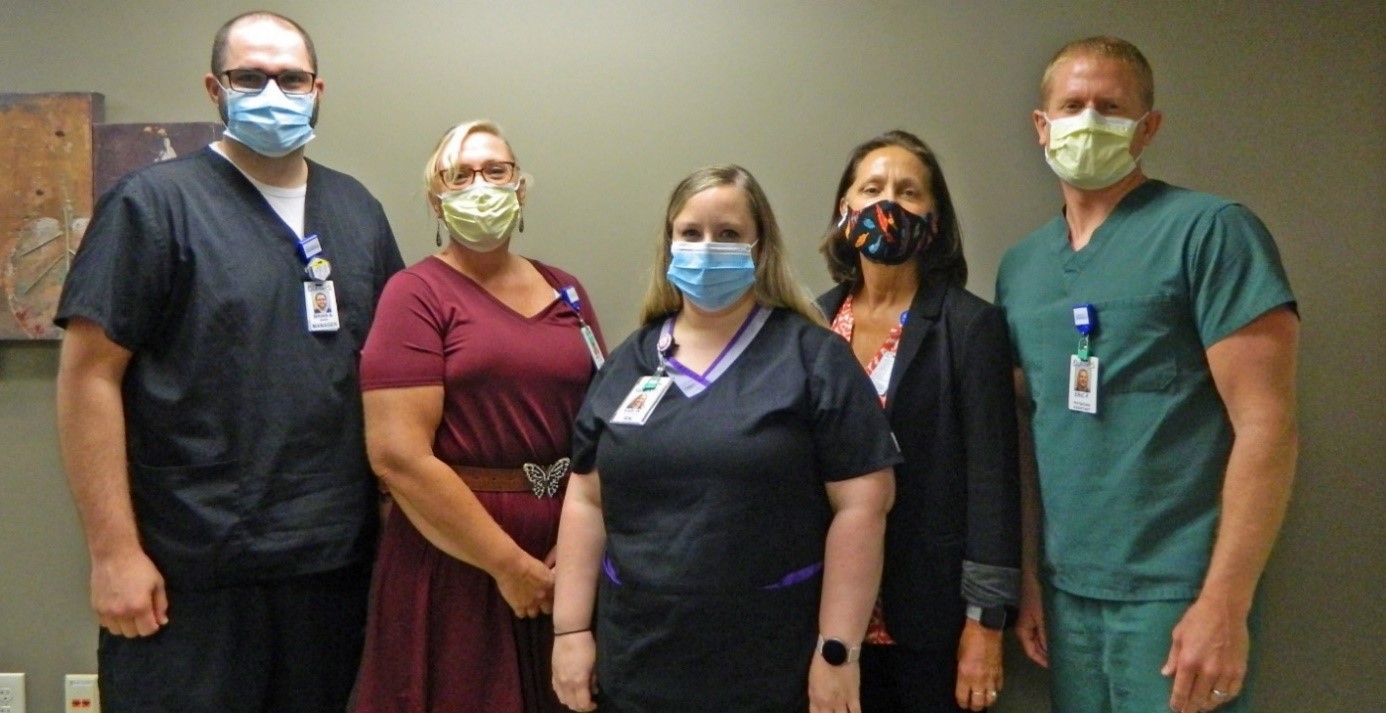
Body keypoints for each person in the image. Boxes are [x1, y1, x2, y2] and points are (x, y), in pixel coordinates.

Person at [53, 11, 404, 712]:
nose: (272, 91)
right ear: (215, 88)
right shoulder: (153, 205)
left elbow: (387, 376)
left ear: (318, 88)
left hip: (331, 562)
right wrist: (113, 552)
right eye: (251, 76)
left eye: (291, 77)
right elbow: (88, 376)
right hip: (192, 566)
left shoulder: (356, 209)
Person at [996, 36, 1299, 713]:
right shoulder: (1023, 269)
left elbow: (1268, 425)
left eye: (1111, 106)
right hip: (1068, 592)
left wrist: (1225, 600)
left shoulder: (1211, 233)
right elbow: (1029, 428)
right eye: (1072, 105)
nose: (1089, 121)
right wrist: (1032, 577)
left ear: (1148, 127)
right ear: (1042, 126)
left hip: (1179, 590)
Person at [551, 164, 900, 713]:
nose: (707, 247)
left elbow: (863, 506)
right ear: (669, 244)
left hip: (770, 664)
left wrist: (838, 652)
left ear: (760, 248)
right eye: (691, 234)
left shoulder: (813, 358)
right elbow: (586, 498)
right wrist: (570, 632)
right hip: (638, 660)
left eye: (729, 234)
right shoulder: (628, 364)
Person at [350, 120, 605, 713]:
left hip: (567, 553)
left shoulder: (565, 290)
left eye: (496, 170)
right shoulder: (415, 294)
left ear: (520, 188)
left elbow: (604, 424)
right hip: (460, 558)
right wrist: (509, 565)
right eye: (458, 174)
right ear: (437, 200)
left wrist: (581, 544)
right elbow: (397, 456)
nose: (480, 185)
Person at [816, 131, 1021, 712]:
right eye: (872, 188)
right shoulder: (809, 325)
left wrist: (986, 621)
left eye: (909, 193)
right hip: (826, 617)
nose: (888, 203)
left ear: (933, 220)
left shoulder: (969, 326)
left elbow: (992, 479)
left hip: (929, 621)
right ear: (844, 209)